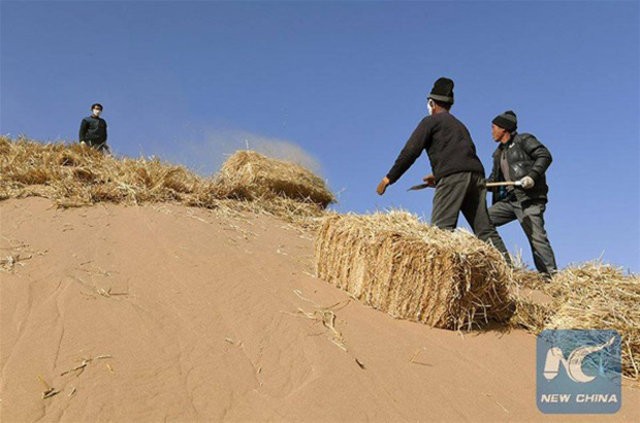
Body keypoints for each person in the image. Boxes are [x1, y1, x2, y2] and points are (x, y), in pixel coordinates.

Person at [376, 77, 511, 264]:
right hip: (476, 176)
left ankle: (440, 277)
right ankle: (508, 270)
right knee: (484, 229)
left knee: (440, 231)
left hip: (454, 177)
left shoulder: (430, 122)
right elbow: (464, 154)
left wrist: (389, 178)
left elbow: (410, 151)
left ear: (431, 103)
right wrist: (439, 174)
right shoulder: (459, 125)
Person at [487, 110, 557, 277]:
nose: (491, 131)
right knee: (483, 220)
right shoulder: (498, 153)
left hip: (528, 199)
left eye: (494, 127)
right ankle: (506, 267)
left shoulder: (524, 140)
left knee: (536, 239)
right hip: (509, 201)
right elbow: (493, 179)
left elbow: (544, 155)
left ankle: (552, 278)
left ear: (504, 129)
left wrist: (532, 177)